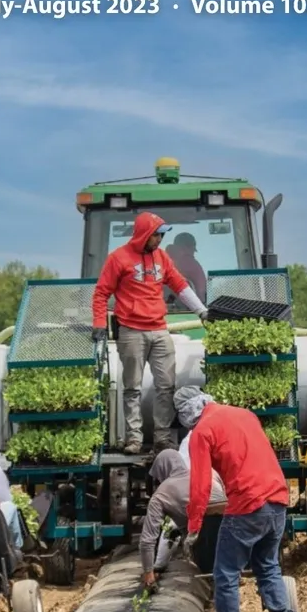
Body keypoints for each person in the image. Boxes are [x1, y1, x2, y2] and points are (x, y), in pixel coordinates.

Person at [176, 386, 302, 612]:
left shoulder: (202, 432)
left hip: (246, 503)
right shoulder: (245, 414)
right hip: (277, 498)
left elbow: (200, 485)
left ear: (186, 412)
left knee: (226, 572)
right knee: (267, 566)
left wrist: (194, 526)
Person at [92, 211, 207, 454]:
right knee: (132, 387)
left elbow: (179, 285)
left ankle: (162, 438)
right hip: (131, 331)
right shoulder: (118, 258)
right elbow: (101, 293)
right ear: (144, 234)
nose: (160, 239)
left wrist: (201, 311)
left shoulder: (162, 257)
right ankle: (134, 439)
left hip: (159, 330)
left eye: (162, 235)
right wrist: (99, 324)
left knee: (166, 386)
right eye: (157, 235)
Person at [140, 447, 226, 583]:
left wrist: (149, 572)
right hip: (232, 531)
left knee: (207, 570)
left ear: (161, 471)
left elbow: (147, 540)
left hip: (204, 541)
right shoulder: (208, 472)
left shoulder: (161, 494)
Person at [165, 231, 207, 302]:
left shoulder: (162, 262)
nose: (193, 253)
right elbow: (201, 291)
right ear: (186, 248)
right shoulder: (191, 263)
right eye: (192, 250)